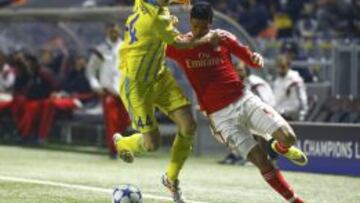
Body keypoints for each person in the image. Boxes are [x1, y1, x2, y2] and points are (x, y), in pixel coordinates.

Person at [166, 2, 306, 202]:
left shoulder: (223, 38)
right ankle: (294, 200)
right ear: (190, 22)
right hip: (220, 117)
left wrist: (255, 59)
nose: (198, 30)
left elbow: (248, 59)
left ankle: (280, 147)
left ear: (211, 23)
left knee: (289, 137)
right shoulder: (180, 45)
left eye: (203, 27)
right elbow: (153, 45)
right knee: (260, 160)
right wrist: (160, 27)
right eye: (194, 26)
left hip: (244, 100)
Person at [113, 0, 219, 202]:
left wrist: (170, 17)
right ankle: (124, 142)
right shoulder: (157, 18)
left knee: (189, 126)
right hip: (136, 85)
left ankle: (171, 178)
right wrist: (206, 39)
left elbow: (162, 12)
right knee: (152, 144)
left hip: (159, 77)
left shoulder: (145, 4)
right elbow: (180, 43)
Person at [219, 61, 276, 165]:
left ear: (247, 71)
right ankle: (239, 156)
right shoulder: (234, 83)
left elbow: (266, 102)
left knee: (258, 128)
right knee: (228, 123)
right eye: (235, 70)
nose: (237, 73)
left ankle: (264, 157)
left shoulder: (256, 83)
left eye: (240, 70)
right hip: (246, 112)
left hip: (267, 111)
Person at [86, 24, 130, 159]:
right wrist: (96, 86)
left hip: (124, 91)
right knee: (112, 121)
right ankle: (114, 150)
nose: (114, 32)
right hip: (108, 91)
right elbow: (91, 70)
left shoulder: (126, 47)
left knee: (125, 120)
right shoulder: (100, 50)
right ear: (106, 31)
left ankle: (120, 143)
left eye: (116, 29)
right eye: (111, 29)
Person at [273, 55, 308, 121]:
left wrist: (303, 113)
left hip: (290, 116)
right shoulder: (277, 81)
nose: (280, 70)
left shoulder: (295, 79)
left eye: (282, 67)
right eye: (278, 67)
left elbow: (302, 99)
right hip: (278, 114)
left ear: (288, 66)